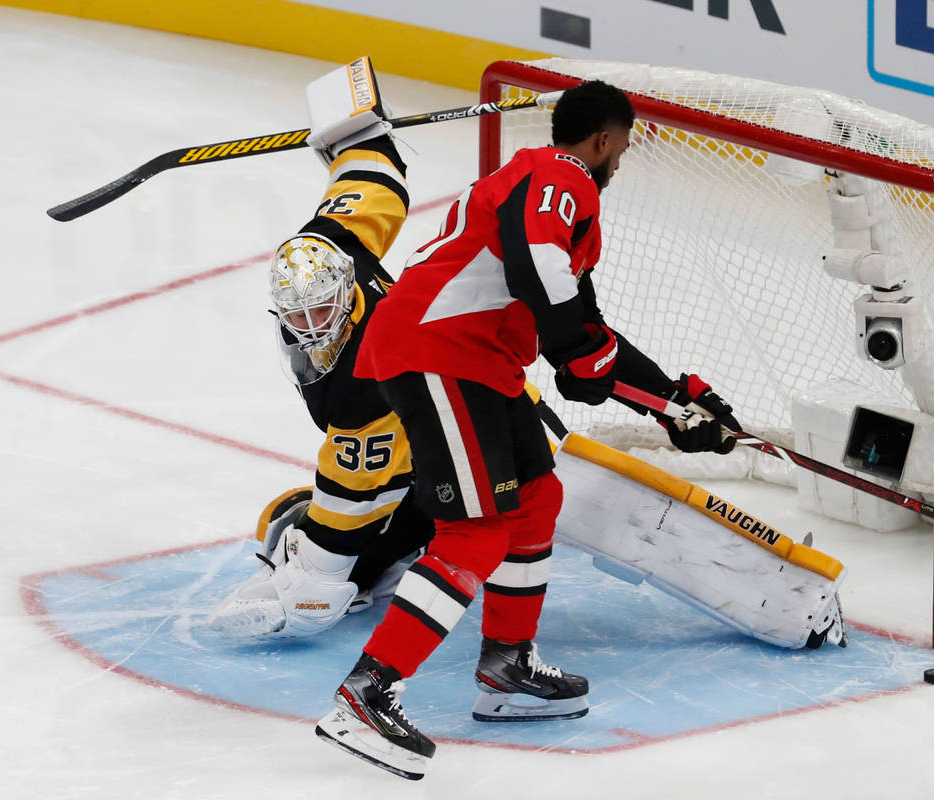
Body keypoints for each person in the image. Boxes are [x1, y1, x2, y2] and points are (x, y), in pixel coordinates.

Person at [313, 79, 744, 781]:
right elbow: (544, 279)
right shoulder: (559, 176)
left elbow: (582, 335)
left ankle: (507, 666)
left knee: (536, 501)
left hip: (480, 363)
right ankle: (367, 692)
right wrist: (578, 348)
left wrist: (673, 402)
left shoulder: (546, 197)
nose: (620, 161)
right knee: (475, 531)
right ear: (604, 140)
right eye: (622, 147)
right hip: (439, 353)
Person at [207, 56, 433, 639]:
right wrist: (357, 134)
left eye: (318, 308)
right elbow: (373, 187)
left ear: (346, 293)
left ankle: (397, 559)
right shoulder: (329, 247)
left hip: (468, 425)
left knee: (364, 547)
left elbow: (348, 500)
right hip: (432, 393)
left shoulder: (360, 386)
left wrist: (315, 583)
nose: (308, 323)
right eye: (295, 312)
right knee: (292, 520)